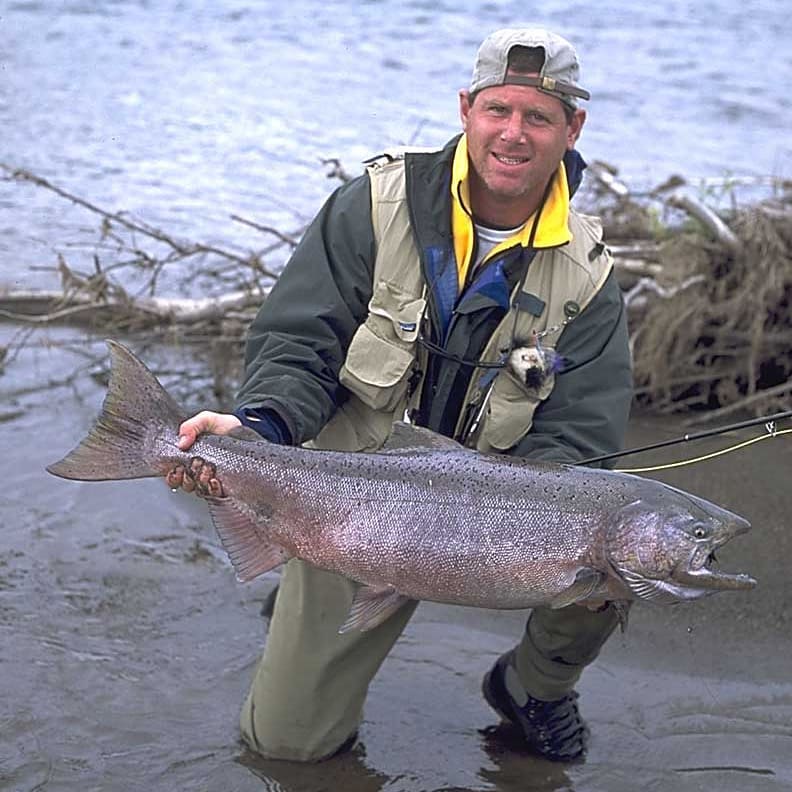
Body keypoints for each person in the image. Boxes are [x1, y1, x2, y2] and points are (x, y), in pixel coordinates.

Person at [167, 27, 632, 763]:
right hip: (354, 500)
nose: (514, 133)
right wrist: (258, 427)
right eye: (498, 111)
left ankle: (534, 685)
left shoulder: (592, 277)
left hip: (498, 508)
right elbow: (299, 343)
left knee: (624, 548)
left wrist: (524, 534)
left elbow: (580, 438)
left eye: (539, 118)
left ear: (573, 128)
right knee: (285, 747)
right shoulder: (373, 206)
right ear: (465, 109)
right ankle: (300, 576)